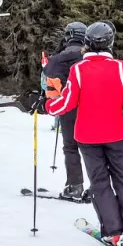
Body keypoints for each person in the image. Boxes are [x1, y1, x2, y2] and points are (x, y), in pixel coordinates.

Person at [45, 20, 123, 246]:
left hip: (88, 137)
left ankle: (114, 233)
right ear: (110, 42)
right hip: (116, 134)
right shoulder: (121, 68)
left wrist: (48, 106)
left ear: (87, 43)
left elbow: (68, 101)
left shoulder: (78, 70)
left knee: (100, 182)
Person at [40, 22, 89, 200]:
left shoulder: (60, 57)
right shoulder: (90, 56)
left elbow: (48, 73)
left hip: (68, 107)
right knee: (94, 146)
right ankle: (99, 187)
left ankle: (75, 185)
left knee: (71, 146)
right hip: (92, 107)